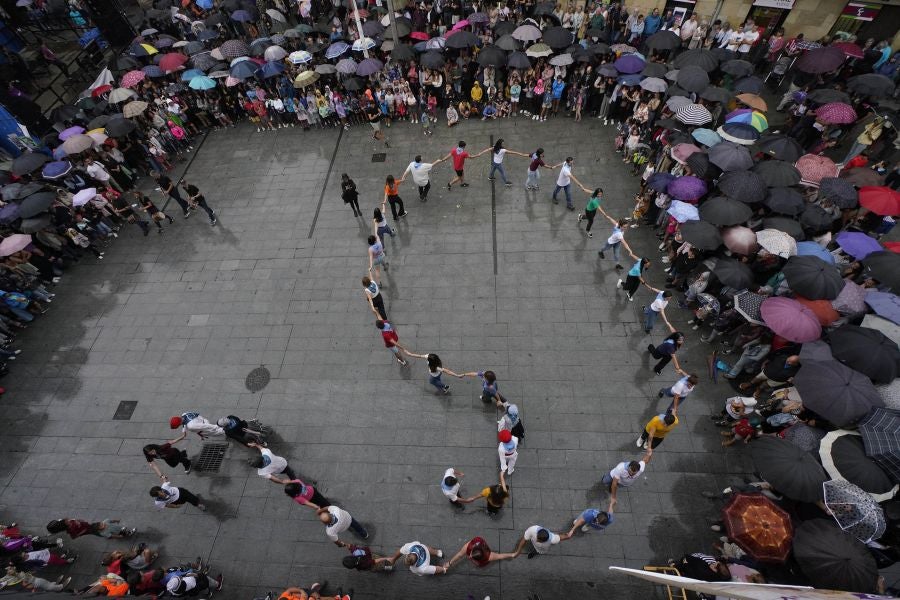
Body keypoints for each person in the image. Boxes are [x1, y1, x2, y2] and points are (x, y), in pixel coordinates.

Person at [444, 536, 516, 569]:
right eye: (471, 554)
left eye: (472, 557)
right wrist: (449, 563)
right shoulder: (488, 555)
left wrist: (512, 555)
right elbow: (459, 554)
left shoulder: (489, 556)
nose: (469, 557)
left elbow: (500, 556)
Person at [46, 518, 135, 539]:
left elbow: (74, 519)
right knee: (102, 532)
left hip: (88, 526)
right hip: (88, 528)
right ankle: (125, 533)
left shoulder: (67, 522)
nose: (68, 520)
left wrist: (77, 520)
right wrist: (83, 531)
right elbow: (74, 536)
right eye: (67, 522)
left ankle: (117, 532)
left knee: (102, 529)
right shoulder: (72, 528)